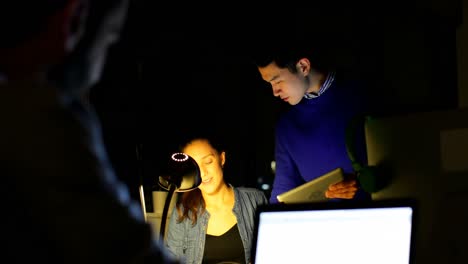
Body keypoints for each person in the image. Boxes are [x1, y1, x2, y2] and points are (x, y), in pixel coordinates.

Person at [0, 1, 178, 263]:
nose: (100, 69)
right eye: (109, 39)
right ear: (73, 20)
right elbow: (131, 253)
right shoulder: (37, 116)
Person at [249, 32, 375, 204]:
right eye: (269, 84)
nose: (274, 92)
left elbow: (402, 160)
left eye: (277, 81)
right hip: (324, 223)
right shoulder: (286, 126)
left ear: (303, 66)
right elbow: (283, 189)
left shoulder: (363, 95)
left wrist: (361, 183)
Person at [165, 134, 268, 264]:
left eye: (208, 161)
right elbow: (172, 259)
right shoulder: (183, 212)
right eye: (194, 166)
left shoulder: (255, 199)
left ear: (222, 158)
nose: (202, 172)